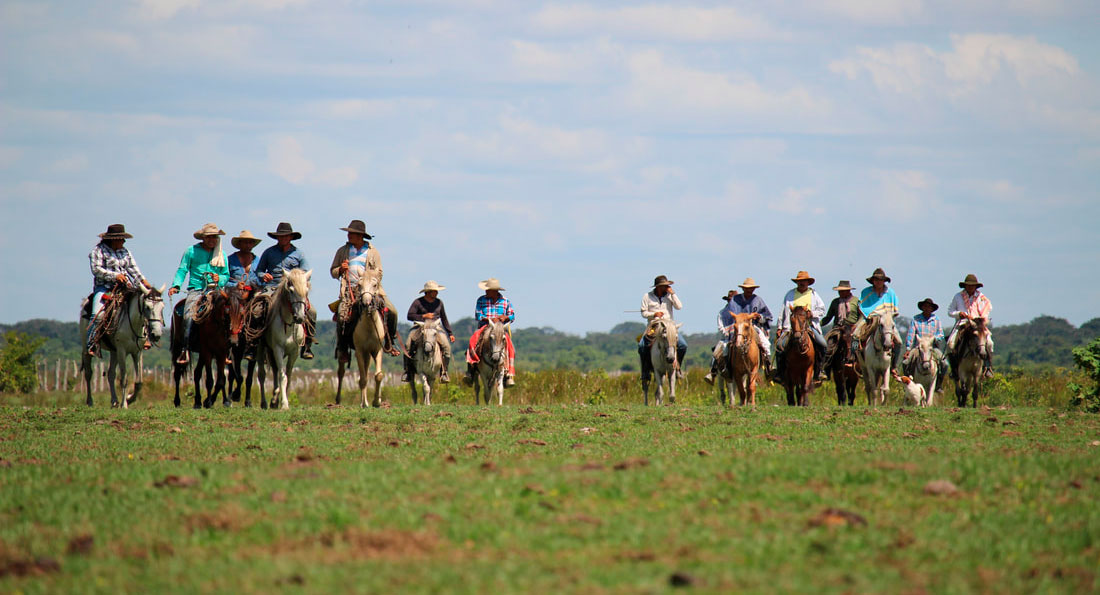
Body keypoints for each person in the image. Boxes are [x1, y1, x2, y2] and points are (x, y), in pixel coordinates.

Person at [328, 219, 399, 362]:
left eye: (352, 233)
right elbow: (333, 271)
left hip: (371, 290)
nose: (349, 236)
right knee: (342, 316)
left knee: (392, 311)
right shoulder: (342, 251)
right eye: (349, 233)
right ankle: (343, 349)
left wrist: (368, 279)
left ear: (360, 235)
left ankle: (390, 342)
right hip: (349, 291)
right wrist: (341, 269)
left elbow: (380, 273)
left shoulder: (373, 252)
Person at [250, 222, 317, 359]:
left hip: (291, 290)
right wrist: (264, 275)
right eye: (281, 236)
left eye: (286, 236)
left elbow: (304, 273)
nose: (283, 239)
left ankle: (307, 346)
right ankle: (253, 344)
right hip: (272, 287)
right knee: (256, 310)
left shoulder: (299, 254)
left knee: (312, 311)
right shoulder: (269, 252)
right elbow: (259, 270)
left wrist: (297, 279)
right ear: (277, 238)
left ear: (291, 237)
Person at [86, 224, 153, 356]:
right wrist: (115, 276)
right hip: (104, 288)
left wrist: (144, 282)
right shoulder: (97, 251)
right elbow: (96, 270)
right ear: (113, 239)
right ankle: (92, 343)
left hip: (125, 288)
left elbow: (133, 269)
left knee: (142, 307)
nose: (123, 242)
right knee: (97, 314)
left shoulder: (125, 252)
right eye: (121, 239)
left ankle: (145, 338)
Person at [167, 223, 229, 365]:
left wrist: (220, 278)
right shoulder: (191, 251)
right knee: (189, 315)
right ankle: (185, 348)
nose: (212, 240)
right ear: (203, 237)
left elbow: (226, 275)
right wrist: (176, 285)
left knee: (230, 315)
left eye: (214, 237)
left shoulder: (221, 254)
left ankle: (227, 350)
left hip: (216, 291)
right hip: (196, 290)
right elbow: (182, 269)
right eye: (209, 237)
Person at [705, 278, 774, 384]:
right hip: (737, 328)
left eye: (751, 288)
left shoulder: (758, 300)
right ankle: (726, 369)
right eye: (747, 288)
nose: (749, 290)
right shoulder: (735, 300)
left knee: (766, 344)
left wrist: (759, 317)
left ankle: (769, 368)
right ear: (743, 289)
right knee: (725, 347)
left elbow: (767, 316)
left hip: (753, 327)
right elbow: (729, 315)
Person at [775, 271, 828, 382]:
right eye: (799, 281)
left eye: (804, 281)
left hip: (809, 326)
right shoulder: (790, 295)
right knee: (780, 345)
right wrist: (779, 327)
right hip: (791, 327)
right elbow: (783, 311)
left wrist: (812, 313)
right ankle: (779, 372)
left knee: (823, 344)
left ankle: (819, 370)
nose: (802, 283)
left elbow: (822, 309)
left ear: (808, 282)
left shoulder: (813, 294)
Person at [465, 278, 517, 387]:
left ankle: (509, 374)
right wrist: (488, 319)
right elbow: (478, 315)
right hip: (484, 326)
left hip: (499, 328)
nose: (486, 291)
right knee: (472, 341)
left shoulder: (505, 301)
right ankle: (471, 370)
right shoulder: (481, 300)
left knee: (510, 347)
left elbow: (512, 315)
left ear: (495, 291)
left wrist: (505, 317)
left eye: (488, 290)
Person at [403, 280, 455, 383]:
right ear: (428, 292)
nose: (436, 293)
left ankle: (444, 372)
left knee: (447, 347)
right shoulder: (417, 302)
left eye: (436, 291)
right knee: (408, 345)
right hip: (420, 327)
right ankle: (407, 371)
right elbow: (410, 315)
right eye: (434, 291)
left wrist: (450, 333)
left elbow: (444, 318)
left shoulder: (439, 303)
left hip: (436, 328)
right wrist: (423, 316)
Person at [850, 267, 902, 367]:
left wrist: (888, 316)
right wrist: (871, 315)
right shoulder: (866, 292)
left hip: (886, 320)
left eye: (881, 280)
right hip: (870, 318)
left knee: (899, 341)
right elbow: (862, 306)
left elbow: (894, 309)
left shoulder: (890, 293)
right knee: (855, 335)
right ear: (873, 281)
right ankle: (853, 358)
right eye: (876, 280)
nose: (878, 282)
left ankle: (894, 365)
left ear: (884, 281)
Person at [639, 275, 688, 381]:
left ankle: (677, 368)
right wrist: (654, 314)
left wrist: (673, 293)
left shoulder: (670, 296)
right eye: (664, 286)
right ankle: (645, 371)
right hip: (654, 326)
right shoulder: (647, 296)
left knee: (683, 345)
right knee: (642, 345)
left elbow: (679, 306)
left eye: (667, 285)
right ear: (658, 287)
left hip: (669, 326)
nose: (666, 287)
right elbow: (643, 313)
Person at [947, 274, 994, 379]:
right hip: (962, 323)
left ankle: (988, 367)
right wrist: (959, 313)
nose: (970, 287)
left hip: (978, 325)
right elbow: (950, 311)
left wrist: (979, 319)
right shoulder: (958, 296)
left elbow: (987, 310)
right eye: (968, 285)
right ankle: (954, 369)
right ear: (965, 286)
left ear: (976, 287)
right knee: (950, 344)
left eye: (972, 286)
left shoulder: (981, 298)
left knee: (989, 343)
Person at [820, 280, 862, 377]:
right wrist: (818, 324)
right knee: (828, 345)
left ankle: (860, 366)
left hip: (852, 327)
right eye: (840, 291)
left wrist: (856, 325)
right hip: (838, 328)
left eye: (843, 291)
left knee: (857, 344)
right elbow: (828, 317)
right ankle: (825, 369)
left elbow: (861, 316)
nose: (841, 293)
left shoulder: (856, 301)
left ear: (848, 291)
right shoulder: (835, 302)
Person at [903, 298, 947, 389]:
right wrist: (908, 349)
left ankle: (939, 384)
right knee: (905, 362)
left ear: (932, 309)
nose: (927, 308)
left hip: (932, 347)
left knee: (944, 364)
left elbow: (941, 334)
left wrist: (934, 338)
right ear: (922, 308)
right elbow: (911, 334)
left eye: (929, 307)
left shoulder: (936, 320)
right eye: (925, 306)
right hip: (919, 347)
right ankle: (908, 381)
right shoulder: (916, 319)